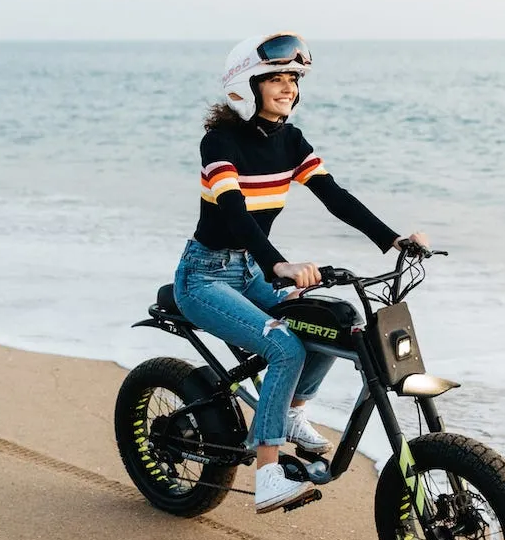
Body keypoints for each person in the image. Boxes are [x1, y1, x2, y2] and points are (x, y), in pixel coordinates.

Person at [172, 32, 430, 513]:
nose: (287, 87)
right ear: (245, 86)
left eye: (293, 78)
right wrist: (279, 264)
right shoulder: (219, 142)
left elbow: (335, 196)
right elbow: (233, 212)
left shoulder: (291, 142)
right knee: (285, 344)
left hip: (252, 270)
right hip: (204, 277)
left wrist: (392, 239)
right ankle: (267, 471)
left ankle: (290, 411)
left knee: (337, 320)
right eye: (275, 78)